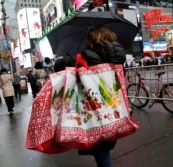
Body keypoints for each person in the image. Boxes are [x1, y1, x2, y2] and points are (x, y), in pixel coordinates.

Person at [54, 26, 126, 167]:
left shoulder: (85, 55)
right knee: (104, 146)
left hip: (93, 110)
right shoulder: (118, 57)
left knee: (101, 150)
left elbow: (58, 65)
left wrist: (70, 58)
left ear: (92, 39)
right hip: (115, 108)